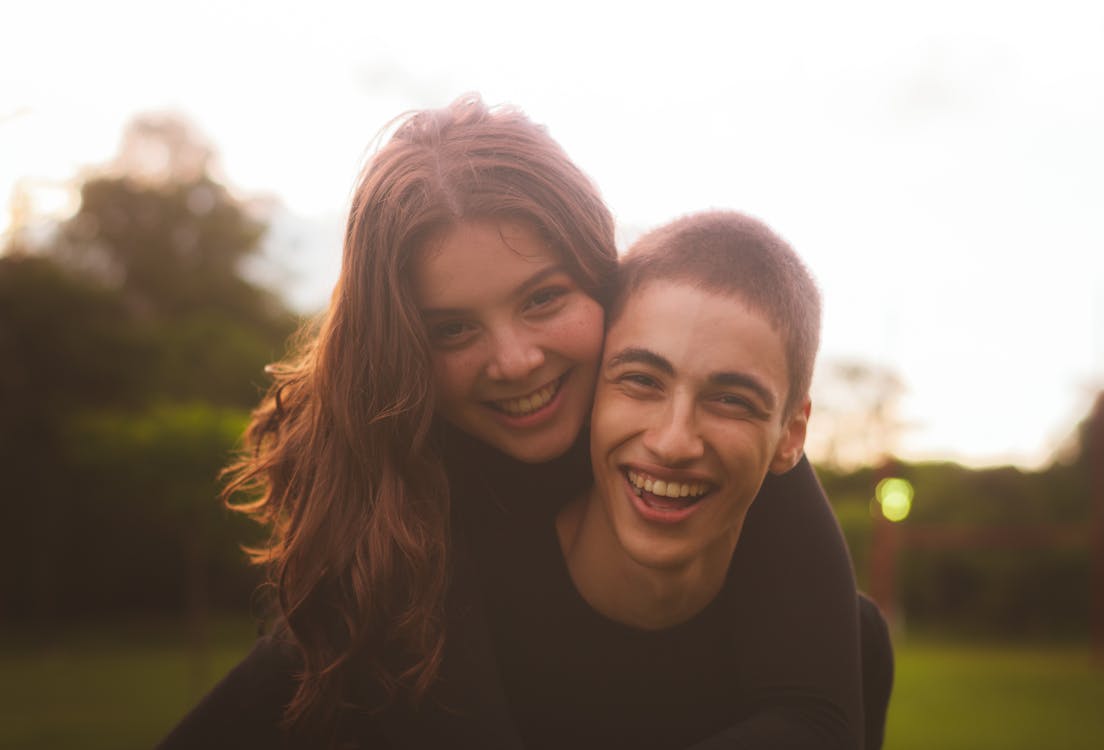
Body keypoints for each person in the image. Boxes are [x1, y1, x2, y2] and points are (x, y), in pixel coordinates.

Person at [158, 96, 889, 750]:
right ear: (403, 349)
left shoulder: (690, 425)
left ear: (607, 282)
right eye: (451, 330)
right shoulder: (403, 530)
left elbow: (817, 719)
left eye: (542, 299)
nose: (513, 361)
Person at [478, 209, 866, 749]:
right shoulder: (463, 596)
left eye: (731, 399)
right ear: (591, 393)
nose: (673, 442)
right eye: (640, 380)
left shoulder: (841, 655)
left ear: (791, 436)